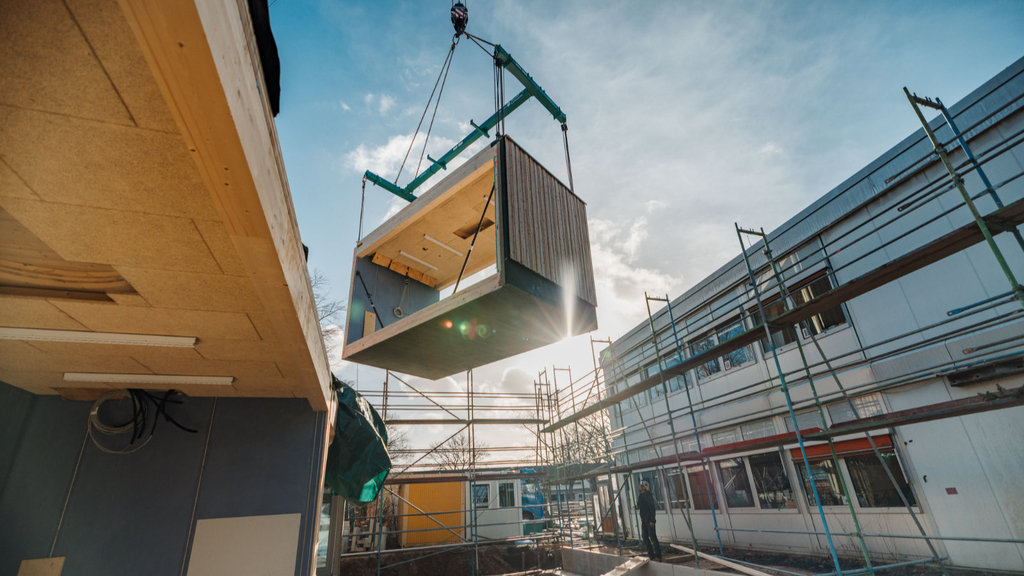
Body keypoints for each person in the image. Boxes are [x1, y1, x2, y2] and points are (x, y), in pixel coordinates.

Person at [636, 481, 662, 561]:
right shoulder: (641, 496)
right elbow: (639, 506)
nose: (638, 487)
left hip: (649, 520)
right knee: (644, 536)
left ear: (643, 487)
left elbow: (652, 509)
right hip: (644, 519)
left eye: (640, 486)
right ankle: (651, 554)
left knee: (652, 537)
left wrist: (652, 520)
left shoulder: (648, 496)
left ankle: (658, 555)